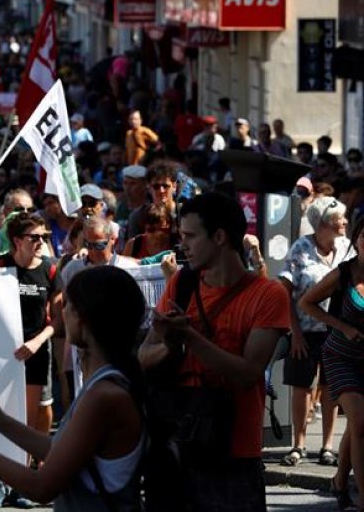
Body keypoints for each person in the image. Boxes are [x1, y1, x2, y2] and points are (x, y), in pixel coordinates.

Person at [0, 266, 146, 511]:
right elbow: (57, 451)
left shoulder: (104, 396)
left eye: (68, 304)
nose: (62, 311)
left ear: (83, 318)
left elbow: (41, 487)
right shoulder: (107, 385)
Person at [139, 192, 289, 511]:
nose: (183, 245)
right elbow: (143, 356)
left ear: (219, 237)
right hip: (175, 446)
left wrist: (188, 336)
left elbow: (249, 373)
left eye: (190, 236)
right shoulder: (181, 283)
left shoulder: (268, 294)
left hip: (233, 452)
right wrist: (169, 343)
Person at [0, 213, 60, 509]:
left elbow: (59, 319)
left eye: (45, 237)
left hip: (36, 354)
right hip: (1, 356)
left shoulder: (51, 270)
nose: (41, 242)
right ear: (16, 241)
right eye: (35, 237)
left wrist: (38, 341)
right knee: (2, 416)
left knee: (25, 419)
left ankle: (21, 483)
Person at [278, 196, 350, 468]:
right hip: (304, 330)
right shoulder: (300, 248)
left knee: (331, 387)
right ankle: (298, 444)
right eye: (338, 219)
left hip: (336, 329)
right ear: (322, 224)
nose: (344, 222)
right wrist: (294, 332)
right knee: (301, 386)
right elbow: (285, 291)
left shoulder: (346, 248)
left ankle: (327, 446)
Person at [298, 216, 364, 510]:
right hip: (341, 356)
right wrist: (342, 326)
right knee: (360, 422)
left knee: (357, 426)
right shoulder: (344, 273)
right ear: (357, 240)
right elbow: (306, 303)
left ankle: (340, 479)